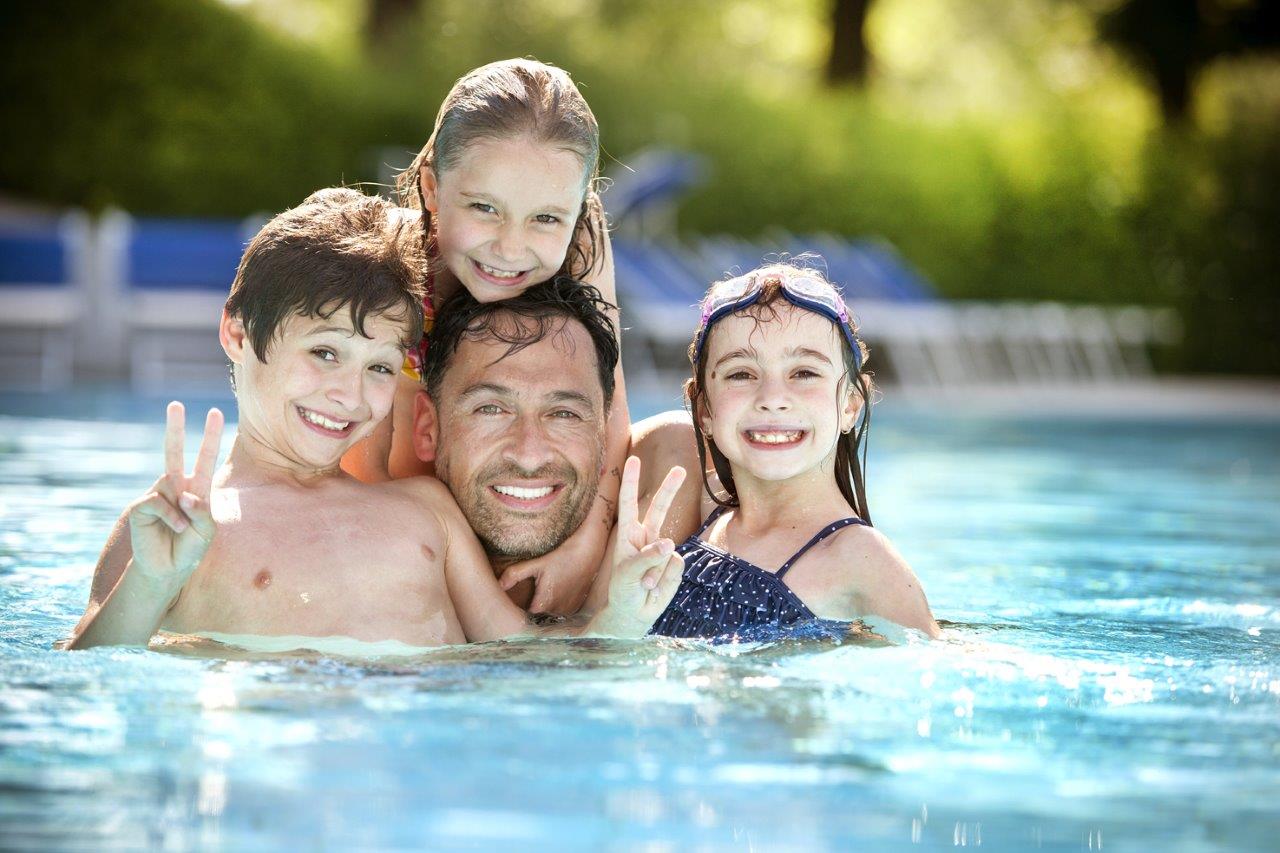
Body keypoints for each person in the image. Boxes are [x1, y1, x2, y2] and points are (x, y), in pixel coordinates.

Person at [65, 188, 682, 652]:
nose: (348, 395)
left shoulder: (426, 510)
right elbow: (88, 676)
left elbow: (518, 655)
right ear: (236, 331)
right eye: (325, 353)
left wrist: (621, 620)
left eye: (381, 368)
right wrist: (149, 583)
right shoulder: (182, 529)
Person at [342, 58, 628, 616]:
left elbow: (608, 405)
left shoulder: (581, 239)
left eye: (546, 219)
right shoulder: (385, 268)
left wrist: (587, 545)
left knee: (673, 442)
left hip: (517, 491)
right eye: (484, 208)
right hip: (410, 494)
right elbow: (362, 471)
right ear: (431, 187)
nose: (510, 248)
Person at [587, 263, 941, 640]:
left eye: (804, 373)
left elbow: (935, 666)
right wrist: (614, 607)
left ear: (851, 407)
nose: (772, 399)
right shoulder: (703, 514)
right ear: (704, 411)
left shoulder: (860, 558)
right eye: (741, 374)